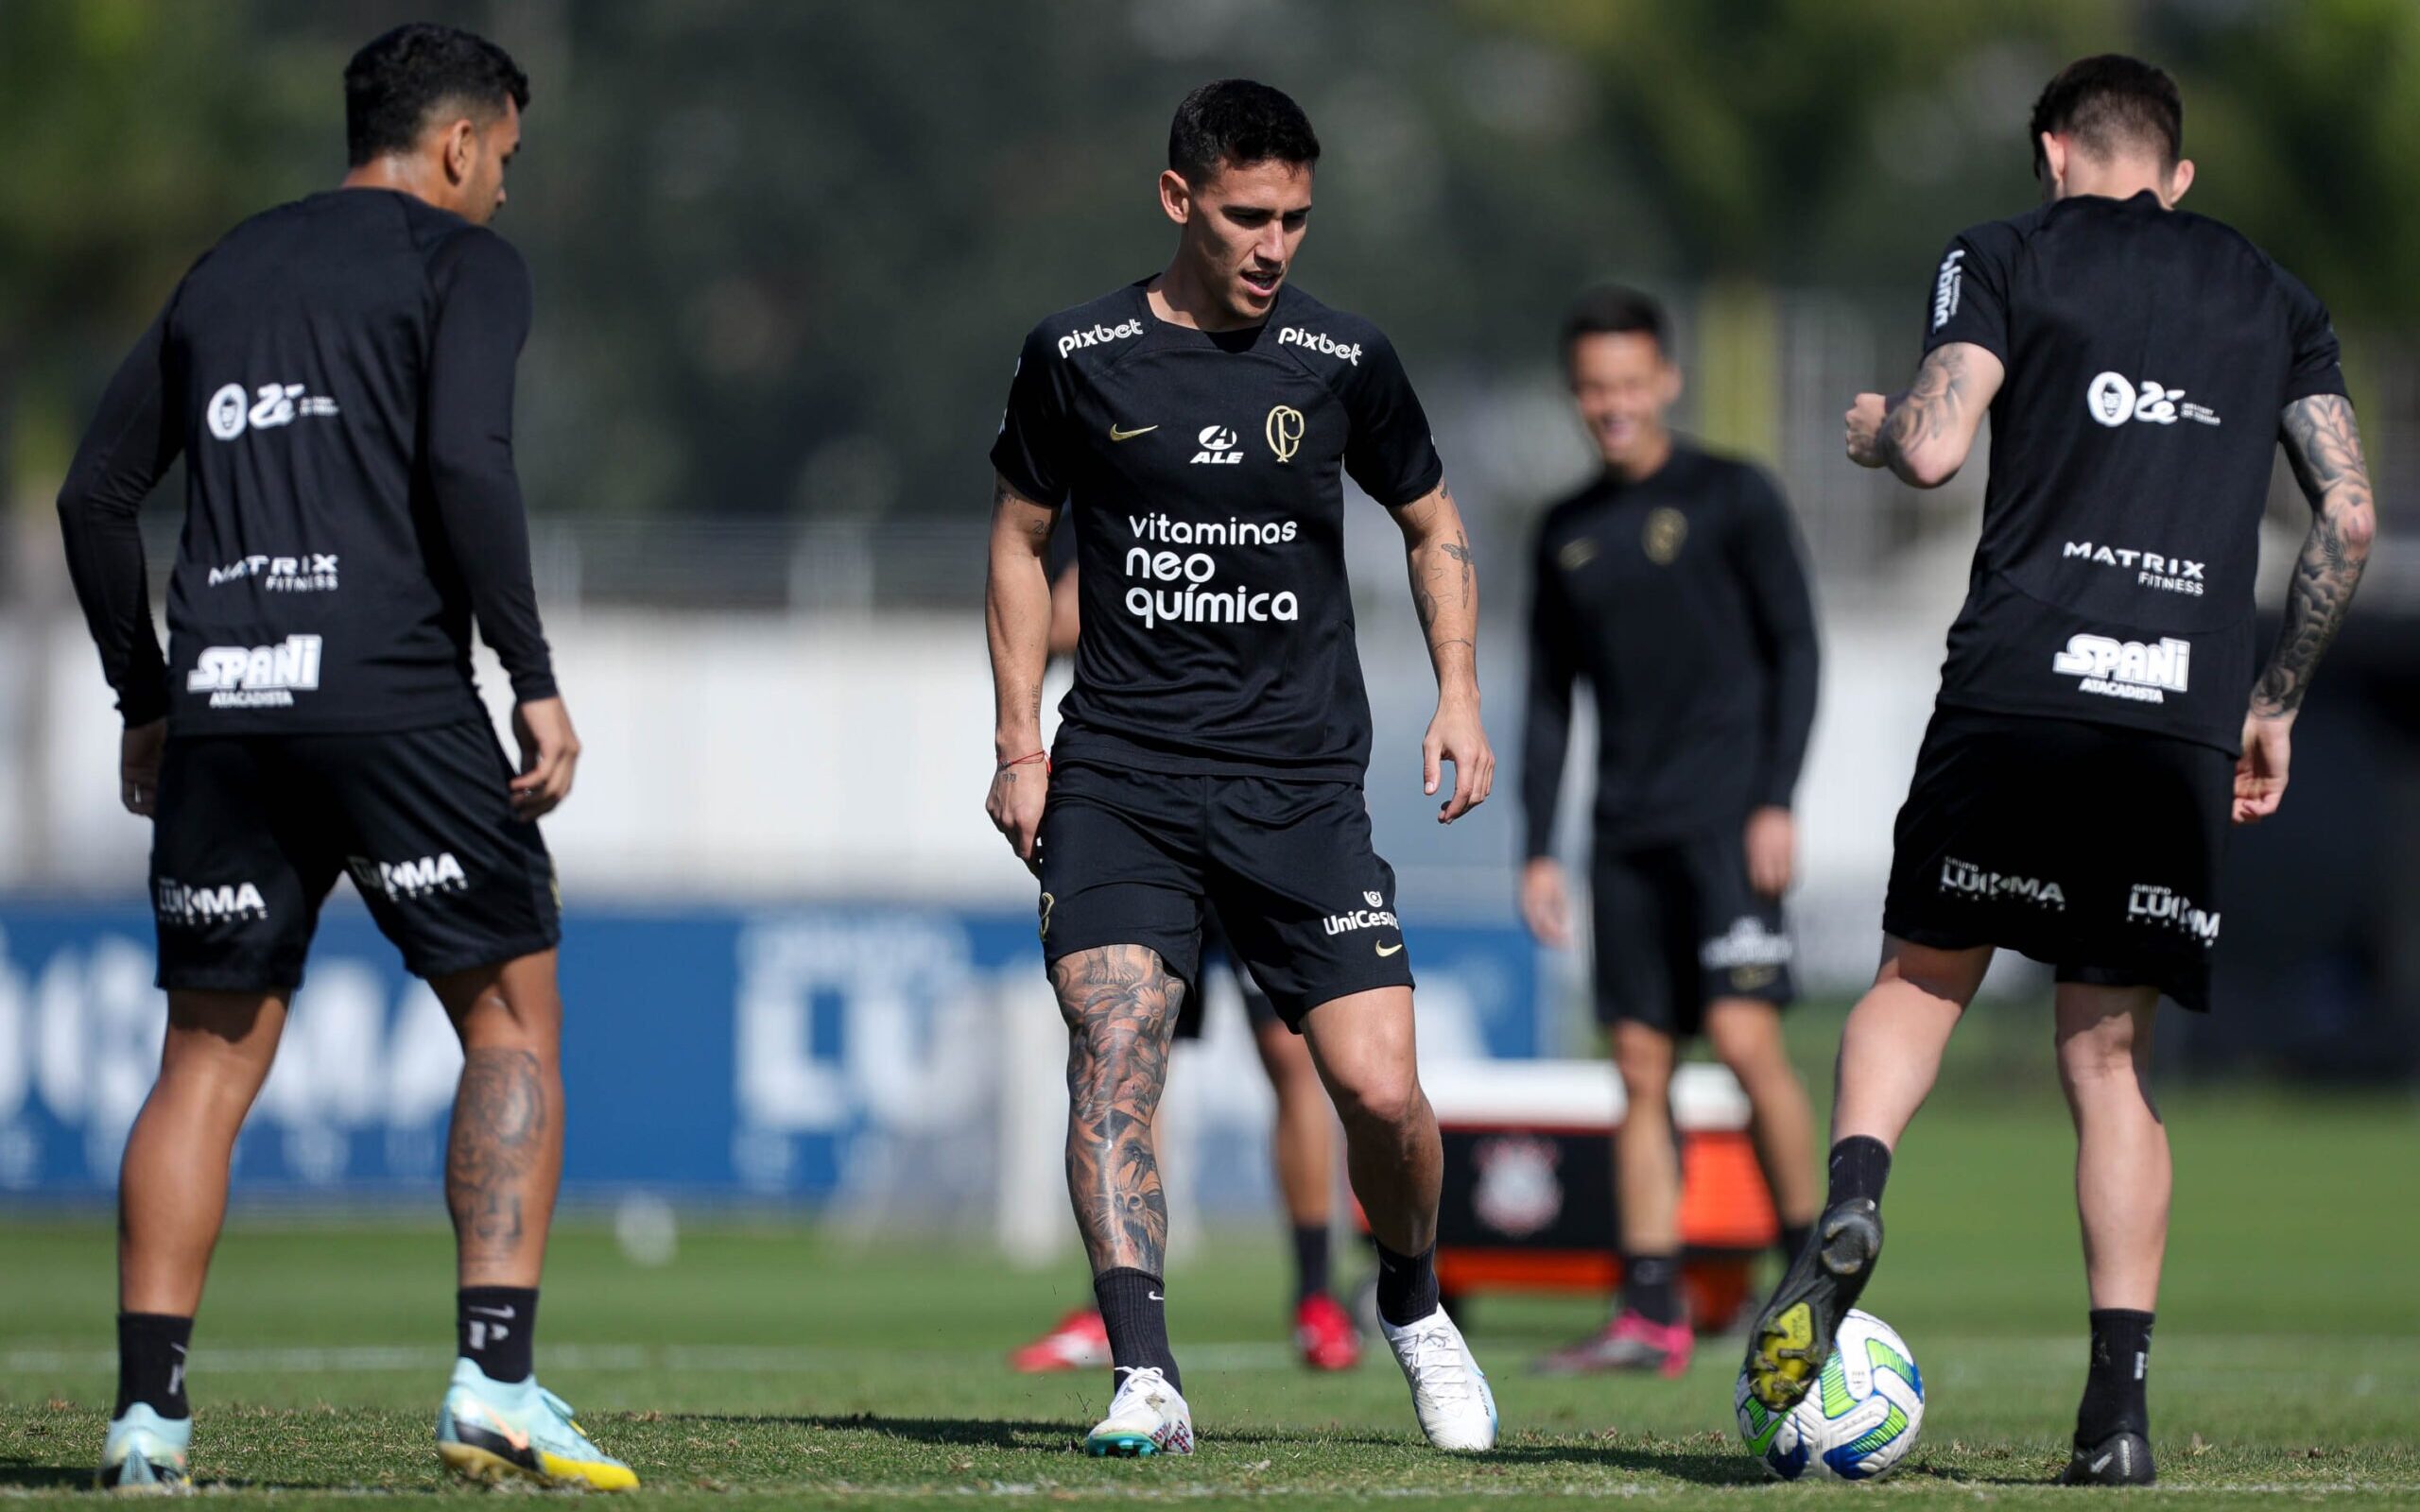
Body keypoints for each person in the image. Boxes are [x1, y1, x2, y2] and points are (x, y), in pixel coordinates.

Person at [1738, 56, 2374, 1487]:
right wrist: (2273, 700)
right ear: (2179, 172)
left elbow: (1936, 442)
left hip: (2021, 686)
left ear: (2051, 152)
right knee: (2109, 1059)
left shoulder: (2004, 253)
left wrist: (1874, 434)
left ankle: (1850, 1202)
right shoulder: (2272, 295)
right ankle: (2118, 1416)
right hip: (2177, 714)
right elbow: (2349, 511)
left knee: (1918, 978)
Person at [55, 23, 632, 1492]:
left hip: (229, 707)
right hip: (390, 696)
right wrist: (537, 679)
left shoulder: (228, 268)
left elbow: (94, 496)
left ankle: (146, 1421)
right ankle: (495, 1380)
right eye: (503, 157)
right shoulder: (464, 264)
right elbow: (464, 462)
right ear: (456, 144)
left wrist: (148, 693)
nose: (504, 186)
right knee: (511, 1020)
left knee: (201, 1063)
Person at [983, 78, 1497, 1457]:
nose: (1276, 245)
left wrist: (1459, 694)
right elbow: (1019, 537)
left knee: (1382, 1092)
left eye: (1297, 220)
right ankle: (1144, 1370)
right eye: (1248, 216)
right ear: (1178, 201)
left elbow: (1431, 514)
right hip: (1122, 777)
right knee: (1116, 1041)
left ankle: (1412, 1301)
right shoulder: (1078, 354)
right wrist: (1020, 741)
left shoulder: (1342, 359)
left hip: (1301, 784)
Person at [1518, 287, 1823, 1378]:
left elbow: (1797, 648)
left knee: (1746, 1047)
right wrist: (1539, 847)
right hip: (1622, 833)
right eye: (1593, 387)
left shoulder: (1732, 495)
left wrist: (1776, 796)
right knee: (1638, 1069)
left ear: (1666, 381)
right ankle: (1649, 1309)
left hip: (1728, 829)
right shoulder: (1564, 532)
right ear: (1576, 393)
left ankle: (1811, 1282)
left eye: (1629, 383)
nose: (1612, 404)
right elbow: (1550, 700)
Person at [1012, 551, 1358, 1375]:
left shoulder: (1223, 471)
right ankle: (1122, 1303)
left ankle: (1316, 1294)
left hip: (1252, 797)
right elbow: (1050, 621)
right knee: (1128, 1047)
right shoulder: (1073, 498)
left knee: (1290, 1054)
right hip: (1141, 806)